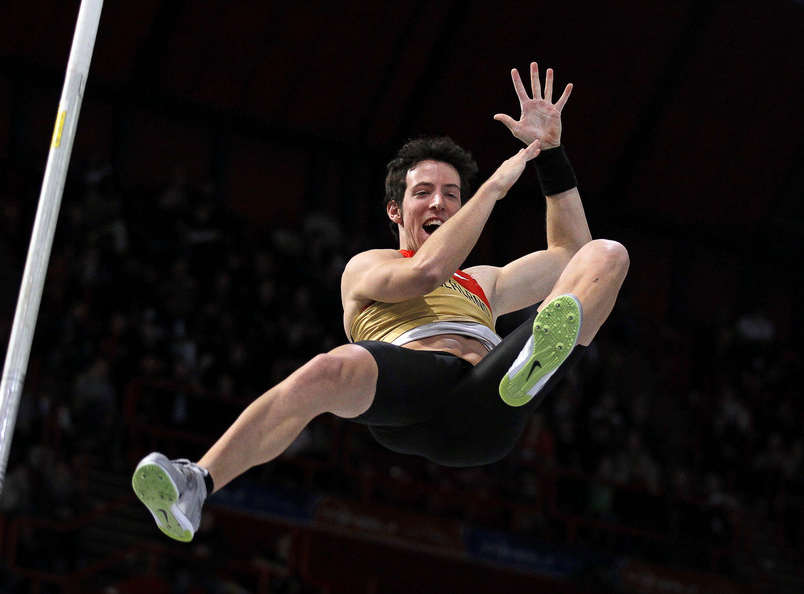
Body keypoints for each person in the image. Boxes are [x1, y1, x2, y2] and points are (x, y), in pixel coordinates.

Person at [132, 63, 629, 542]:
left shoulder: (486, 281)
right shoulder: (367, 266)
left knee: (607, 254)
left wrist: (549, 154)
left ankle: (533, 362)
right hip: (408, 393)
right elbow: (425, 271)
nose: (439, 203)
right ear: (395, 208)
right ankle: (197, 482)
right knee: (331, 367)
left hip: (486, 403)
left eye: (452, 194)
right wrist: (493, 189)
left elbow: (572, 255)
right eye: (425, 193)